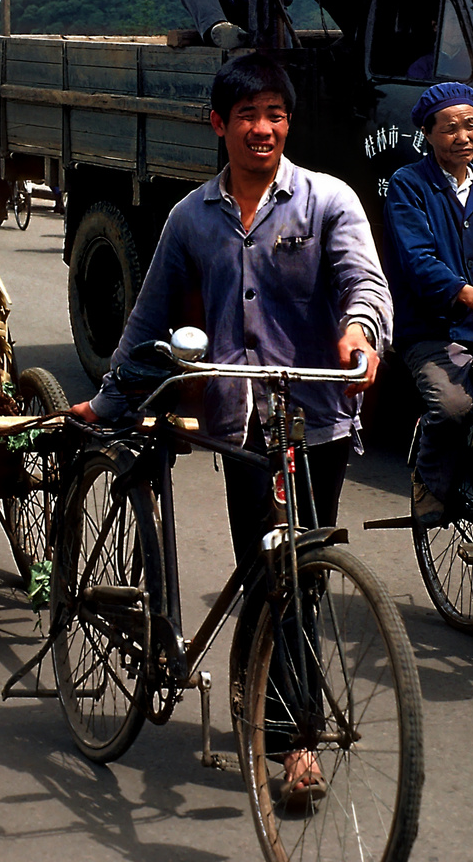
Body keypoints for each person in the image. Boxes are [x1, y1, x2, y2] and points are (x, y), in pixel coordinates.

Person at [70, 53, 389, 804]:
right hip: (243, 427)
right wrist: (111, 403)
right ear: (219, 124)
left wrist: (360, 333)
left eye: (275, 113)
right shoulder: (191, 218)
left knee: (297, 577)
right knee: (273, 573)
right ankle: (291, 738)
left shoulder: (326, 201)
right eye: (247, 115)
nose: (263, 128)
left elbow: (363, 281)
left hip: (319, 420)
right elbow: (149, 321)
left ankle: (283, 722)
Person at [383, 82, 473, 527]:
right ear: (427, 134)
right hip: (429, 329)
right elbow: (417, 261)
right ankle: (428, 477)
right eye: (449, 129)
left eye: (471, 125)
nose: (463, 137)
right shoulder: (409, 185)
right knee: (453, 407)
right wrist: (468, 295)